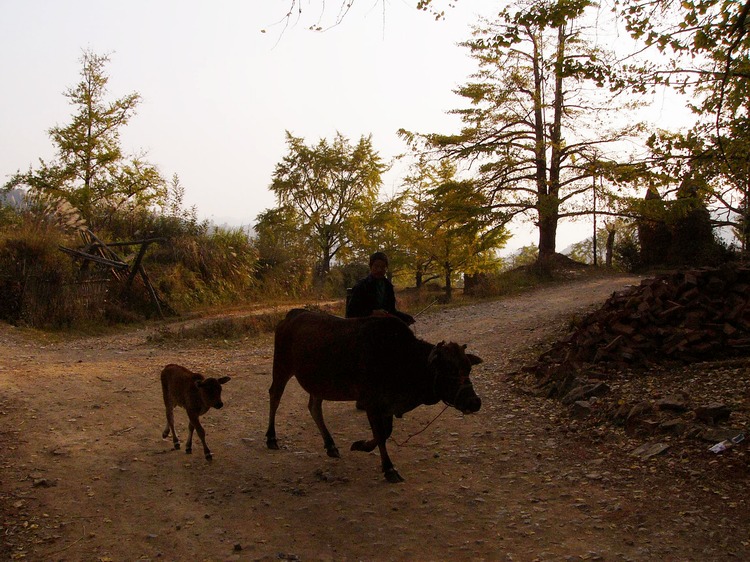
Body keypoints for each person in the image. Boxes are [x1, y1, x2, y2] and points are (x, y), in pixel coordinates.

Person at [346, 251, 415, 326]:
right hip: (364, 326)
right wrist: (372, 313)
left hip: (382, 325)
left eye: (383, 267)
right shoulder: (362, 285)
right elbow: (351, 313)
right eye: (376, 266)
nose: (379, 270)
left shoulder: (388, 286)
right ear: (370, 266)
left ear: (386, 268)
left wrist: (405, 317)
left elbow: (391, 311)